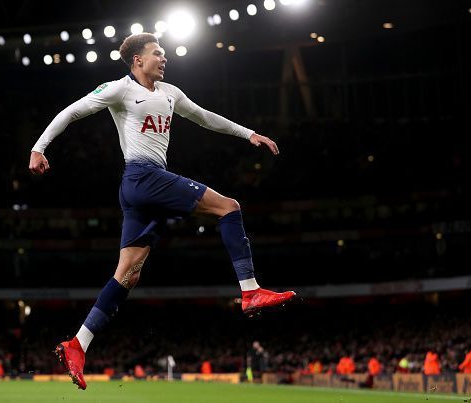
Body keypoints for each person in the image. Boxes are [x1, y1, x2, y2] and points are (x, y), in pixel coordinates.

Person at [29, 33, 296, 390]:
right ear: (138, 60)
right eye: (157, 53)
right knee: (228, 207)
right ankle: (250, 290)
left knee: (127, 275)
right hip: (143, 177)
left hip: (143, 190)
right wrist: (38, 148)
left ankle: (78, 344)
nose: (164, 58)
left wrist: (248, 134)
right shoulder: (118, 89)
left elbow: (203, 117)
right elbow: (72, 111)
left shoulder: (170, 93)